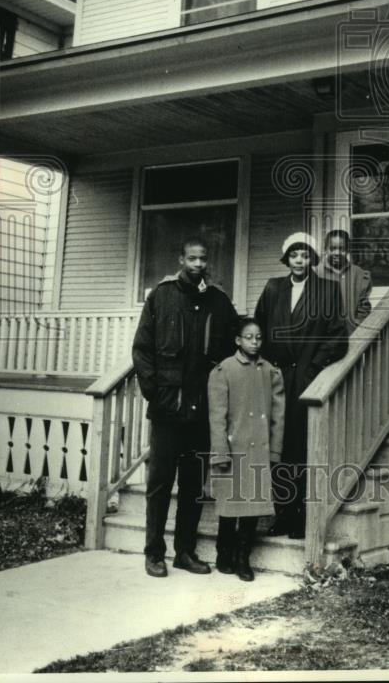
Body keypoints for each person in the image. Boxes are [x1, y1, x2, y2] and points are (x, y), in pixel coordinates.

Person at [132, 237, 238, 577]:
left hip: (202, 413)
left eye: (203, 259)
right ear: (181, 259)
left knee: (193, 486)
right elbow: (142, 350)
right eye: (192, 258)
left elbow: (232, 352)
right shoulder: (160, 297)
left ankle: (185, 552)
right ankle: (154, 553)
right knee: (160, 483)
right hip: (167, 411)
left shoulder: (219, 302)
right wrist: (155, 393)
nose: (198, 264)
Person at [255, 232, 348, 538]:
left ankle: (302, 518)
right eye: (294, 255)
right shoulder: (272, 288)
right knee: (278, 448)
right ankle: (281, 515)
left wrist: (313, 367)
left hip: (306, 381)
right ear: (286, 258)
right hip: (276, 379)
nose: (299, 260)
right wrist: (267, 366)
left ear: (312, 259)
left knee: (302, 448)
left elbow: (337, 336)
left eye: (305, 255)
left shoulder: (327, 289)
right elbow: (259, 330)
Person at [208, 317, 285, 581]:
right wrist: (220, 452)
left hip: (258, 452)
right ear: (238, 340)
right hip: (233, 449)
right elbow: (217, 417)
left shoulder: (270, 371)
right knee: (231, 507)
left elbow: (278, 415)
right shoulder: (224, 370)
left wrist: (274, 452)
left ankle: (243, 558)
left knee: (252, 508)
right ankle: (223, 553)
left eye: (259, 338)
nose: (254, 342)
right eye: (249, 337)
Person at [317, 229, 372, 334]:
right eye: (332, 248)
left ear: (348, 250)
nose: (337, 253)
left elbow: (364, 307)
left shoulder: (359, 274)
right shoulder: (316, 274)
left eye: (341, 249)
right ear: (325, 249)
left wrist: (355, 326)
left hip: (351, 336)